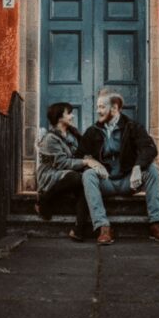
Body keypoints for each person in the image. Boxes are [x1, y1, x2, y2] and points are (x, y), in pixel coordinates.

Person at [77, 91, 159, 245]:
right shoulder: (93, 131)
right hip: (105, 182)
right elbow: (78, 154)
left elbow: (150, 149)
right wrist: (90, 161)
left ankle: (156, 224)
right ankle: (103, 227)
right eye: (97, 107)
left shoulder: (132, 127)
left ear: (114, 108)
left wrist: (137, 167)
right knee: (88, 175)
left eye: (101, 107)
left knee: (152, 169)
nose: (98, 111)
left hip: (129, 181)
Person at [35, 102, 105, 241]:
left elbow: (78, 155)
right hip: (51, 174)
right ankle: (44, 199)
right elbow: (62, 163)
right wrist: (85, 162)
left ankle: (78, 229)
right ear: (59, 117)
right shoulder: (50, 139)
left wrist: (88, 158)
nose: (72, 116)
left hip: (67, 173)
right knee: (76, 178)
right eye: (69, 113)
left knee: (84, 181)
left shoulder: (72, 135)